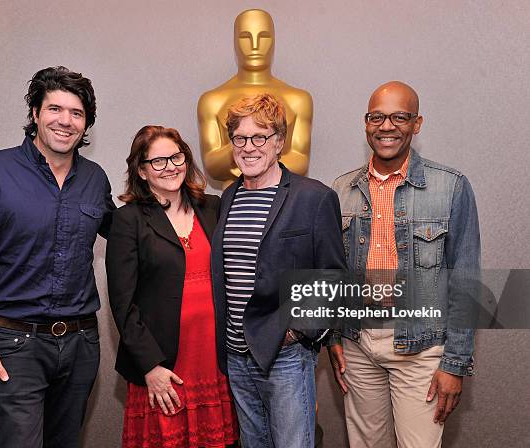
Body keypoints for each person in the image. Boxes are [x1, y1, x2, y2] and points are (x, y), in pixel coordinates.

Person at [0, 66, 115, 448]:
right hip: (13, 345)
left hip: (81, 343)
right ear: (35, 113)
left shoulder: (95, 179)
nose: (65, 121)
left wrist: (174, 201)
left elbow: (129, 239)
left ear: (86, 125)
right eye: (55, 109)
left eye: (76, 113)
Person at [328, 81, 480, 448]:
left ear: (417, 123)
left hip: (422, 347)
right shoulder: (341, 189)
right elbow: (332, 272)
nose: (387, 126)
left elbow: (466, 282)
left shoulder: (452, 187)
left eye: (400, 117)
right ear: (366, 123)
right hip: (358, 345)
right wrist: (333, 336)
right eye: (377, 117)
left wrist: (454, 363)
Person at [211, 93, 347, 447]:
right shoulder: (229, 197)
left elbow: (333, 276)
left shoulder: (312, 197)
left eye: (260, 137)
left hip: (284, 356)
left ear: (280, 142)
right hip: (236, 356)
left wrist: (299, 331)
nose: (248, 147)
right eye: (240, 138)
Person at [106, 126, 238, 448]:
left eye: (176, 157)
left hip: (213, 358)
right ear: (141, 170)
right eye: (158, 161)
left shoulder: (213, 207)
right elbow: (123, 303)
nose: (171, 167)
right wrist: (150, 366)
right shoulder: (128, 220)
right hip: (164, 363)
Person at [198, 8, 313, 187]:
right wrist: (255, 153)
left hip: (285, 201)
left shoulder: (298, 99)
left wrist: (247, 161)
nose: (254, 45)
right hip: (235, 202)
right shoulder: (212, 100)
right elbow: (213, 166)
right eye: (245, 37)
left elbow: (301, 160)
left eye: (264, 36)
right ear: (235, 42)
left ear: (274, 41)